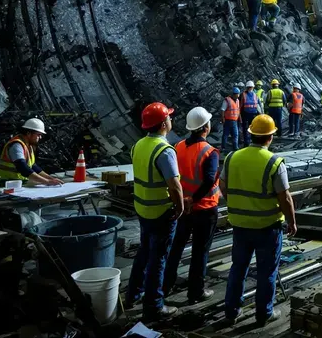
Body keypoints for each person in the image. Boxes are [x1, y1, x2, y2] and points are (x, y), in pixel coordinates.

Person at [222, 114, 297, 326]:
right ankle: (264, 313)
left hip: (240, 225)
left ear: (251, 134)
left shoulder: (232, 157)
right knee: (266, 272)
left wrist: (237, 204)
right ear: (270, 137)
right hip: (267, 227)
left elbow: (223, 186)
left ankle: (231, 311)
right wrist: (292, 222)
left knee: (238, 268)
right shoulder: (274, 162)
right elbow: (285, 198)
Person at [126, 102, 185, 322]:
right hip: (161, 211)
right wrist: (179, 208)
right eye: (169, 117)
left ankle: (133, 293)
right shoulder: (165, 150)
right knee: (158, 259)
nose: (171, 120)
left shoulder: (138, 145)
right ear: (163, 124)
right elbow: (174, 185)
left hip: (143, 208)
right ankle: (154, 306)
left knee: (144, 252)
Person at [164, 107, 220, 303]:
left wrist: (185, 200)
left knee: (176, 248)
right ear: (205, 127)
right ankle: (196, 291)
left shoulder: (177, 146)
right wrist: (194, 199)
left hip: (183, 209)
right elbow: (209, 180)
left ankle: (165, 286)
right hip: (204, 209)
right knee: (200, 252)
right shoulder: (209, 152)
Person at [0, 118, 63, 186]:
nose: (40, 137)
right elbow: (22, 167)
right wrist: (47, 181)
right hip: (5, 184)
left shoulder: (28, 145)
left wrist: (51, 179)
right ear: (28, 133)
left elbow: (33, 166)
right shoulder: (16, 145)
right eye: (38, 135)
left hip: (16, 183)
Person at [240, 81, 262, 148]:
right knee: (252, 128)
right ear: (253, 87)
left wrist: (239, 115)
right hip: (253, 114)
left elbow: (239, 105)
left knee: (245, 129)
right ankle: (253, 142)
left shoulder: (243, 94)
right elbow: (259, 105)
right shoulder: (255, 95)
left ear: (246, 87)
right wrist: (261, 114)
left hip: (245, 114)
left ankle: (246, 143)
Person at [221, 86, 242, 152]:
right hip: (227, 120)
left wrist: (240, 118)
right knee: (225, 134)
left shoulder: (238, 101)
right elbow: (222, 110)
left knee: (235, 134)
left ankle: (235, 147)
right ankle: (223, 147)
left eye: (238, 94)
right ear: (233, 94)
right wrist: (223, 118)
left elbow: (238, 110)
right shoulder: (227, 100)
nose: (237, 96)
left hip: (235, 121)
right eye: (236, 94)